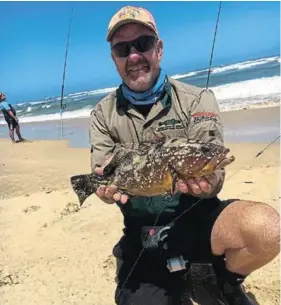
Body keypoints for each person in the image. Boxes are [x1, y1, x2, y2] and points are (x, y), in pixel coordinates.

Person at [89, 6, 280, 305]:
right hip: (142, 233)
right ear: (115, 59)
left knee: (266, 228)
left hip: (201, 218)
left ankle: (225, 282)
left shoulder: (198, 100)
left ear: (159, 49)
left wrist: (211, 179)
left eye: (143, 43)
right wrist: (102, 189)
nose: (135, 55)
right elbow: (104, 173)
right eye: (123, 49)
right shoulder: (102, 114)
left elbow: (213, 168)